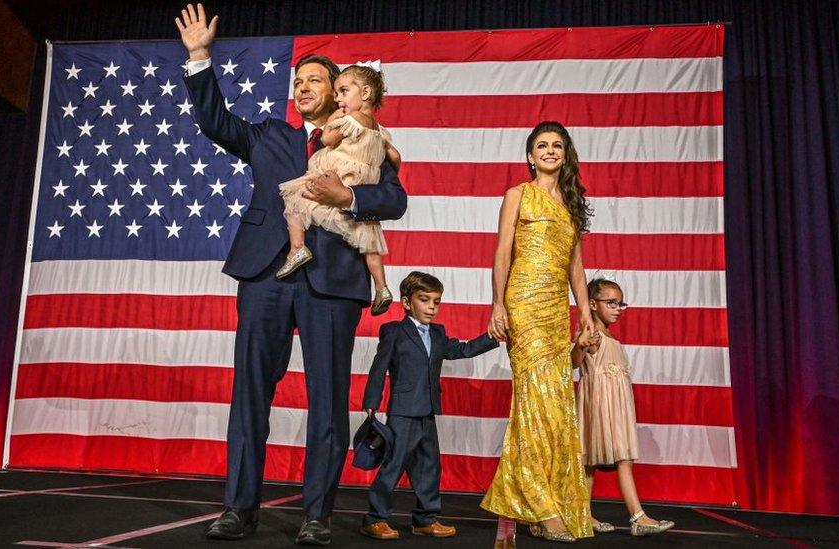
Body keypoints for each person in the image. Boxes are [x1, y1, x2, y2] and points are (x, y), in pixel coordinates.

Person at [175, 4, 408, 545]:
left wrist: (349, 195)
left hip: (333, 280)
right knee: (250, 393)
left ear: (339, 91)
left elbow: (394, 199)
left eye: (315, 81)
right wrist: (199, 57)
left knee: (327, 400)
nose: (303, 87)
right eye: (298, 80)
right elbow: (215, 121)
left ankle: (316, 516)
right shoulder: (271, 136)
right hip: (266, 275)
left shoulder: (364, 135)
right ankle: (238, 509)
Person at [480, 121, 596, 543]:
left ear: (565, 155)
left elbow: (576, 267)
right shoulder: (517, 194)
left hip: (554, 309)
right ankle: (541, 507)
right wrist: (497, 304)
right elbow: (502, 251)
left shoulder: (571, 201)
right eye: (542, 146)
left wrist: (585, 313)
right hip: (524, 305)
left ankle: (556, 501)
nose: (549, 151)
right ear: (530, 156)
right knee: (535, 398)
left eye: (557, 146)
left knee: (557, 404)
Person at [359, 271, 499, 540]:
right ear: (407, 302)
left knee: (429, 465)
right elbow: (379, 368)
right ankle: (375, 519)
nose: (432, 307)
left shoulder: (438, 333)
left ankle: (425, 518)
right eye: (425, 300)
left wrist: (491, 337)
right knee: (393, 464)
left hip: (428, 411)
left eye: (436, 301)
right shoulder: (394, 331)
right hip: (402, 411)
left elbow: (463, 350)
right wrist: (371, 402)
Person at [276, 64, 401, 316]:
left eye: (343, 91)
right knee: (370, 242)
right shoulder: (380, 130)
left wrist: (332, 123)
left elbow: (327, 140)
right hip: (363, 179)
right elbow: (395, 157)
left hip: (337, 173)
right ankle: (382, 287)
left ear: (365, 94)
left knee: (295, 199)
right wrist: (376, 172)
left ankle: (297, 247)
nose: (338, 98)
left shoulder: (348, 120)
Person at [572, 278, 675, 537]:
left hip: (616, 404)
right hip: (600, 404)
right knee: (619, 459)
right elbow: (573, 363)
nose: (618, 308)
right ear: (593, 304)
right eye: (611, 303)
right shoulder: (592, 334)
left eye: (620, 304)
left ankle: (582, 515)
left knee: (592, 462)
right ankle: (638, 517)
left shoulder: (609, 335)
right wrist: (581, 344)